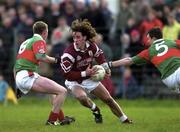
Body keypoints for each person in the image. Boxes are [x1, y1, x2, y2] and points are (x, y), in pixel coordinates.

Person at [59, 19, 132, 124]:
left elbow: (100, 57)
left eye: (78, 37)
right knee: (82, 97)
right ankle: (95, 110)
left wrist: (106, 69)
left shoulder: (92, 46)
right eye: (74, 37)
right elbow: (66, 74)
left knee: (108, 99)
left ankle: (125, 120)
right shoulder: (68, 53)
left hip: (89, 77)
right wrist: (85, 73)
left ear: (85, 37)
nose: (75, 40)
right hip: (74, 81)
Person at [14, 21, 75, 126]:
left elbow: (15, 67)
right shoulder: (39, 40)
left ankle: (62, 119)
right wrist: (58, 60)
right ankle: (51, 121)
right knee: (62, 91)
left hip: (21, 76)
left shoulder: (26, 42)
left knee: (52, 93)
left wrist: (18, 86)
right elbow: (41, 57)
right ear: (45, 32)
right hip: (28, 76)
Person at [109, 27, 180, 93]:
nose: (148, 41)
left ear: (154, 38)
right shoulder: (172, 42)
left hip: (168, 80)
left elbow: (129, 60)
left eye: (149, 39)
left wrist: (110, 64)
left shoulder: (148, 51)